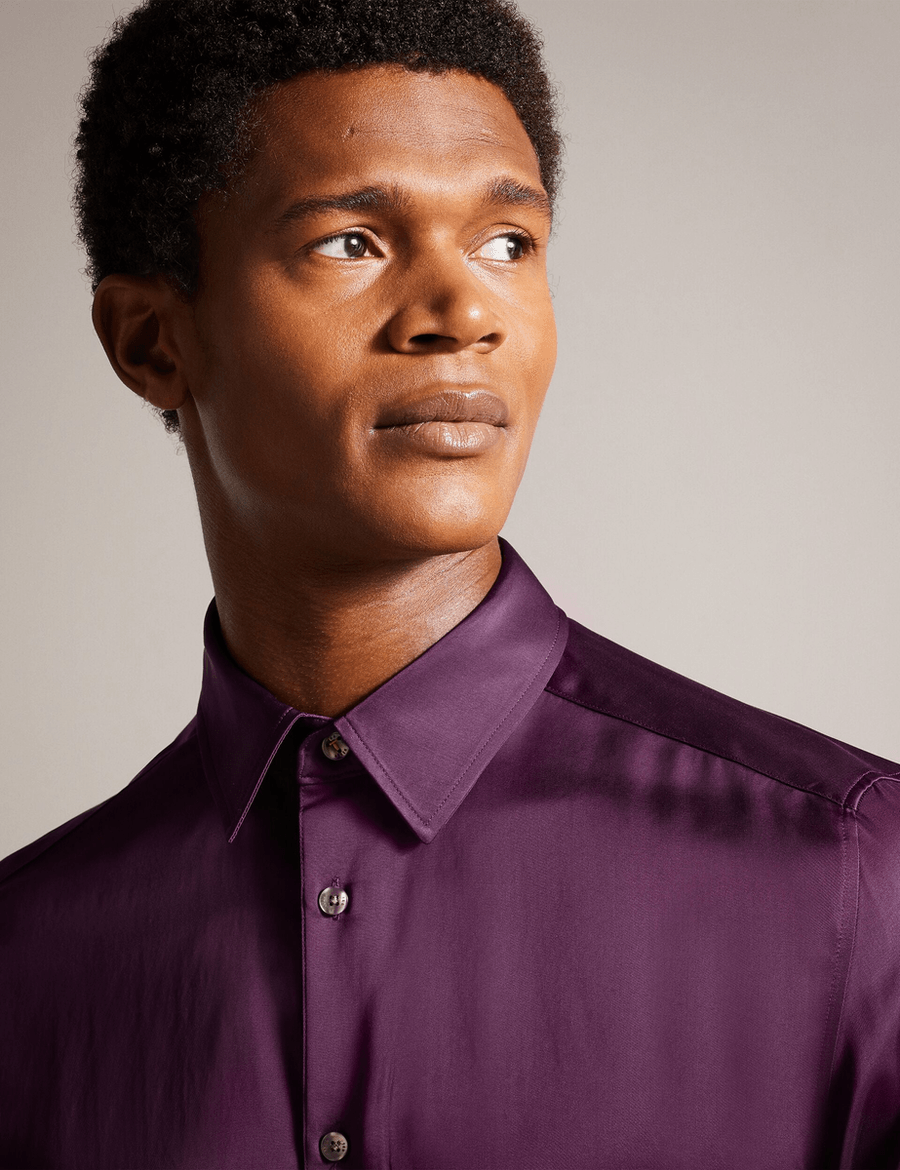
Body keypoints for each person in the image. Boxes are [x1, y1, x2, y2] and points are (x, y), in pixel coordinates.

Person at [1, 0, 898, 1166]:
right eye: (351, 243)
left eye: (506, 244)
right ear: (151, 342)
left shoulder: (854, 872)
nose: (464, 312)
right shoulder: (29, 958)